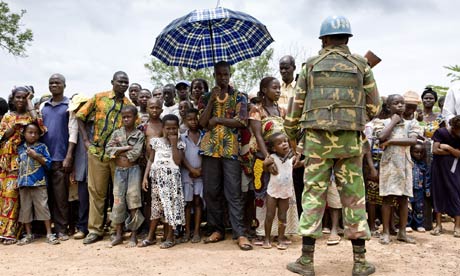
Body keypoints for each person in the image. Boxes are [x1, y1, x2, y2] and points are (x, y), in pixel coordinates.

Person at [284, 16, 379, 276]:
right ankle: (360, 263)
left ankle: (306, 261)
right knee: (354, 198)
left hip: (317, 142)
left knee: (313, 196)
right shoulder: (362, 65)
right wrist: (353, 121)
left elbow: (295, 109)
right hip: (349, 143)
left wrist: (294, 137)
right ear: (347, 38)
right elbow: (374, 107)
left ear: (324, 39)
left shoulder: (311, 66)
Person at [199, 61, 252, 250]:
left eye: (226, 74)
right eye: (219, 74)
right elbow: (202, 123)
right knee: (211, 192)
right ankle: (217, 230)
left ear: (230, 75)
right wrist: (212, 101)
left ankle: (240, 233)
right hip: (210, 150)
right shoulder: (206, 97)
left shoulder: (239, 97)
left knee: (233, 192)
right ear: (214, 75)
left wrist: (219, 119)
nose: (222, 77)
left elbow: (242, 121)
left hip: (231, 151)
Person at [76, 71, 133, 244]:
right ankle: (94, 230)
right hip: (97, 153)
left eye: (126, 82)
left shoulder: (128, 105)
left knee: (118, 193)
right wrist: (85, 139)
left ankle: (118, 229)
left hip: (118, 156)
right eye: (120, 81)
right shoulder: (99, 98)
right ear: (112, 82)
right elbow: (80, 116)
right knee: (96, 192)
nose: (123, 85)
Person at [249, 77, 298, 243]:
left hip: (283, 160)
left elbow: (289, 135)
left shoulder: (282, 111)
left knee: (284, 195)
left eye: (279, 88)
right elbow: (258, 136)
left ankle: (281, 233)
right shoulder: (256, 110)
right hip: (263, 159)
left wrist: (292, 152)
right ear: (264, 90)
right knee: (264, 195)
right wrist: (268, 159)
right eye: (274, 88)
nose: (278, 91)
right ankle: (263, 232)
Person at [0, 87, 45, 244]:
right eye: (18, 97)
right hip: (5, 161)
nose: (20, 100)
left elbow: (40, 125)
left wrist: (29, 101)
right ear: (12, 99)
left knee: (13, 197)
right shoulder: (7, 117)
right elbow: (2, 136)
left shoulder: (29, 117)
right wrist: (14, 127)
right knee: (4, 197)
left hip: (22, 161)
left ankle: (11, 233)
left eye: (23, 97)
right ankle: (5, 232)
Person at [374, 94, 420, 245]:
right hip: (389, 164)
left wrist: (392, 141)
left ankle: (402, 232)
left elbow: (413, 140)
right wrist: (393, 122)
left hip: (405, 165)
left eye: (402, 103)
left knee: (404, 198)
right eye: (396, 103)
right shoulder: (381, 122)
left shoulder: (412, 123)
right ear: (388, 107)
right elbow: (381, 137)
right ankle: (386, 231)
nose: (400, 105)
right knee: (387, 198)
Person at [139, 114, 185, 249]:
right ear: (163, 128)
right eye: (168, 128)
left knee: (170, 209)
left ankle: (170, 237)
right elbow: (151, 160)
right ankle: (151, 237)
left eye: (174, 128)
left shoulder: (180, 143)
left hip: (172, 181)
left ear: (177, 129)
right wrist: (145, 177)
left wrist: (174, 144)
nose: (171, 131)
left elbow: (177, 162)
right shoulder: (156, 142)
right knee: (156, 209)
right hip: (157, 181)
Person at [106, 105, 145, 247]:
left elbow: (135, 155)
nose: (126, 119)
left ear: (135, 118)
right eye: (124, 117)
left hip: (133, 171)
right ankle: (118, 234)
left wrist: (117, 152)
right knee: (118, 202)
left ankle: (133, 235)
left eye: (129, 116)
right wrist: (124, 148)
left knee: (134, 201)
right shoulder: (116, 133)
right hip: (119, 171)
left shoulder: (139, 135)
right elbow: (108, 150)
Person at [40, 73, 73, 241]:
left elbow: (73, 133)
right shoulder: (43, 107)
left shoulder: (69, 106)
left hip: (61, 157)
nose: (54, 85)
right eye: (51, 82)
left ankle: (62, 229)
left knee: (60, 197)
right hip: (43, 158)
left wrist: (69, 156)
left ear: (64, 85)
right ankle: (46, 229)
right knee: (46, 196)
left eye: (57, 82)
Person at [16, 123, 59, 245]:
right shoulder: (20, 148)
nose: (33, 135)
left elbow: (49, 163)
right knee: (25, 210)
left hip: (38, 182)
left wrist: (36, 156)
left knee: (43, 207)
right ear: (24, 134)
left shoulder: (42, 147)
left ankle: (49, 234)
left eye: (35, 133)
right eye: (30, 132)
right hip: (23, 183)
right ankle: (28, 234)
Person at [262, 132, 294, 250]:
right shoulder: (272, 158)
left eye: (285, 141)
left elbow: (297, 165)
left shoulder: (291, 157)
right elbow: (265, 168)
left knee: (282, 216)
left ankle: (281, 238)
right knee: (269, 215)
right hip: (273, 191)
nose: (284, 144)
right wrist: (265, 164)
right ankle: (267, 238)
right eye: (279, 143)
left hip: (285, 191)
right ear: (273, 148)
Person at [430, 115, 460, 237]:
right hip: (439, 167)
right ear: (453, 128)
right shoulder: (441, 132)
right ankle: (438, 225)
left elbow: (459, 154)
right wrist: (454, 152)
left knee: (456, 193)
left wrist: (447, 147)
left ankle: (457, 226)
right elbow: (435, 150)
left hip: (455, 168)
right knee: (438, 193)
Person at [67, 94, 91, 239]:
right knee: (82, 199)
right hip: (81, 168)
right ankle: (83, 227)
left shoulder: (96, 122)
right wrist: (74, 169)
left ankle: (97, 227)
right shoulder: (73, 125)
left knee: (98, 200)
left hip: (97, 168)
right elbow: (72, 147)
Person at [180, 108, 204, 243]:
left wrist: (200, 170)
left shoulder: (204, 136)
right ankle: (187, 231)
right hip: (187, 174)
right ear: (185, 121)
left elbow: (206, 155)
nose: (193, 122)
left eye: (195, 119)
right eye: (190, 119)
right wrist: (191, 169)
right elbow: (181, 156)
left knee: (198, 202)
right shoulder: (182, 137)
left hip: (201, 174)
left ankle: (196, 231)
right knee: (187, 203)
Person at [407, 143, 430, 232]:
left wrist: (427, 189)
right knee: (408, 207)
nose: (419, 154)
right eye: (416, 152)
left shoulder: (423, 164)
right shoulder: (409, 162)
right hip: (409, 189)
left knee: (419, 208)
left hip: (419, 190)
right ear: (411, 152)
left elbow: (426, 177)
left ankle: (419, 225)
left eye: (421, 152)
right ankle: (407, 224)